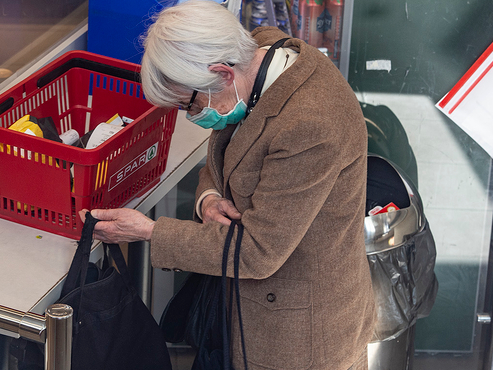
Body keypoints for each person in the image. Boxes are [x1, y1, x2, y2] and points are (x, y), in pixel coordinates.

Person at [78, 1, 375, 369]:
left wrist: (150, 232)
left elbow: (256, 252)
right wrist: (208, 197)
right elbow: (229, 144)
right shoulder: (255, 58)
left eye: (191, 104)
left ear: (221, 73)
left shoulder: (309, 125)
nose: (194, 116)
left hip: (301, 333)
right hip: (247, 307)